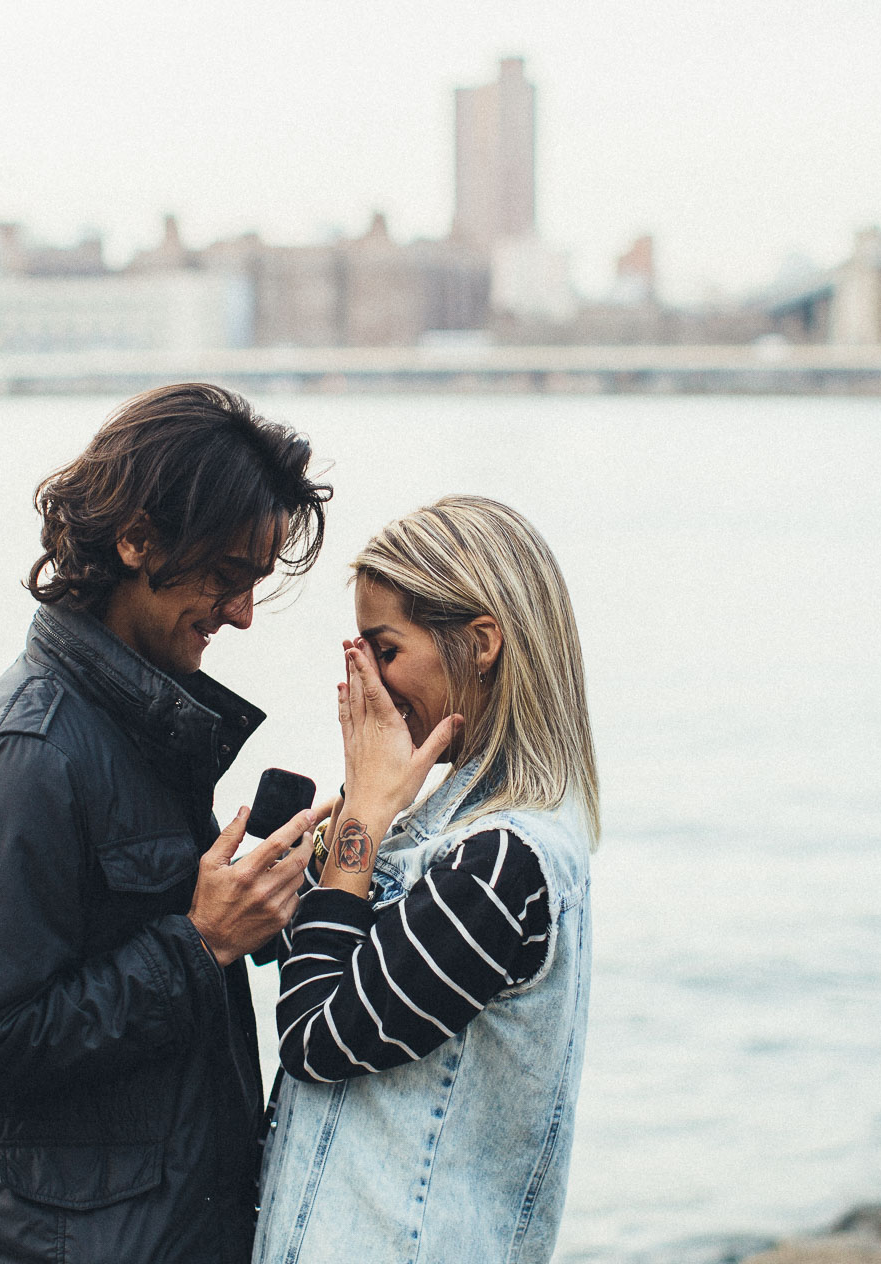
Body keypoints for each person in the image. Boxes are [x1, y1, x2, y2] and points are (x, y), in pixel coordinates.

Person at [0, 383, 334, 1264]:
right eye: (227, 576)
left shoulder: (134, 728)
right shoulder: (31, 755)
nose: (243, 612)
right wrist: (199, 942)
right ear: (136, 538)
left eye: (255, 584)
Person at [254, 495, 601, 1264]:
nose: (364, 682)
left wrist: (363, 822)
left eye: (384, 650)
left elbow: (316, 1038)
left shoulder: (501, 864)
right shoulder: (454, 840)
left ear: (481, 644)